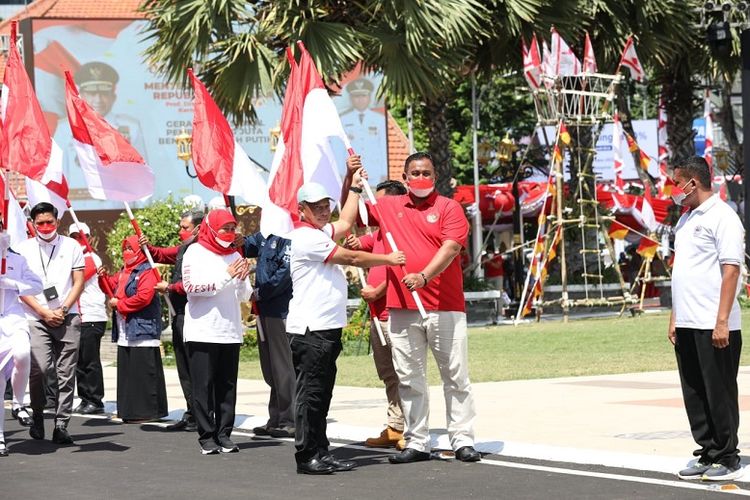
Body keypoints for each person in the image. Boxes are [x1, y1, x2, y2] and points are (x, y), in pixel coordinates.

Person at [343, 152, 481, 464]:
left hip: (444, 306)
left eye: (426, 172)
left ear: (435, 176)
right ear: (405, 179)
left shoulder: (449, 208)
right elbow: (348, 218)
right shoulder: (390, 206)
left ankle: (462, 439)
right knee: (409, 377)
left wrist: (424, 276)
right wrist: (351, 182)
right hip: (402, 308)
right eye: (415, 173)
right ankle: (418, 441)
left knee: (455, 376)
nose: (421, 178)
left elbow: (451, 248)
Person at [285, 173, 405, 475]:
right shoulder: (305, 236)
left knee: (321, 394)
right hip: (311, 330)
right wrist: (388, 259)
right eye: (316, 206)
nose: (324, 210)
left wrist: (353, 186)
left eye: (326, 204)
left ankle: (320, 452)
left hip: (324, 328)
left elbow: (347, 221)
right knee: (311, 395)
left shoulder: (320, 231)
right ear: (302, 209)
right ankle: (307, 455)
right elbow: (350, 257)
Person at [669, 156, 745, 481]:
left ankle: (727, 456)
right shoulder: (684, 220)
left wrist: (723, 320)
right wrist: (674, 317)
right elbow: (682, 273)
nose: (674, 191)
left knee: (719, 391)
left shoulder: (723, 217)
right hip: (687, 321)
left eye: (677, 183)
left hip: (713, 321)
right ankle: (707, 451)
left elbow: (731, 270)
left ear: (693, 183)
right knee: (695, 392)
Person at [344, 179, 408, 450]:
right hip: (377, 316)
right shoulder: (381, 232)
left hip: (398, 314)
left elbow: (409, 268)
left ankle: (412, 429)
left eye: (379, 201)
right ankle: (395, 426)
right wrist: (354, 241)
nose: (374, 207)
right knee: (388, 374)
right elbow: (359, 245)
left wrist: (380, 290)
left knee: (406, 373)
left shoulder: (405, 230)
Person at [182, 209, 252, 455]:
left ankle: (224, 433)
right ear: (211, 228)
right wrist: (226, 275)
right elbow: (191, 287)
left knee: (227, 385)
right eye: (225, 228)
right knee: (203, 385)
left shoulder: (234, 253)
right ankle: (206, 436)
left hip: (230, 330)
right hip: (203, 330)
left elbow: (245, 295)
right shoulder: (195, 252)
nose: (230, 233)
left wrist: (243, 278)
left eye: (233, 229)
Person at [17, 202, 85, 445]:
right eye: (40, 223)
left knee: (66, 373)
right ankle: (37, 415)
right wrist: (44, 311)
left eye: (50, 222)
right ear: (33, 224)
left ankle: (61, 424)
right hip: (36, 317)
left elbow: (79, 281)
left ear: (57, 222)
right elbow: (20, 288)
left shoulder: (71, 245)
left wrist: (64, 308)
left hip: (68, 316)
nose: (45, 227)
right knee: (41, 370)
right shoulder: (22, 249)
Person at [146, 208, 204, 432]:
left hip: (194, 314)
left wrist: (169, 287)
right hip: (178, 313)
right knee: (184, 366)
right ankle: (192, 412)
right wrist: (147, 245)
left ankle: (202, 413)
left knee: (195, 365)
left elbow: (195, 284)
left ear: (198, 228)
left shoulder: (202, 250)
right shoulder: (183, 248)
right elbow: (161, 254)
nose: (180, 231)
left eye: (185, 227)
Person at [101, 236, 168, 424]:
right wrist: (102, 277)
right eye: (125, 248)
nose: (127, 252)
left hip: (142, 328)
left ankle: (146, 411)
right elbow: (111, 285)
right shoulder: (124, 271)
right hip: (126, 329)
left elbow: (144, 297)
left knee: (143, 373)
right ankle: (129, 410)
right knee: (128, 373)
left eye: (131, 248)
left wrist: (120, 304)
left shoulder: (147, 271)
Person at [242, 232, 295, 439]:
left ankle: (289, 419)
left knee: (284, 368)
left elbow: (285, 273)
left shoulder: (287, 237)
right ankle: (276, 418)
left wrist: (261, 292)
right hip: (264, 311)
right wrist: (237, 239)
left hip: (280, 310)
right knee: (271, 369)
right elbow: (245, 247)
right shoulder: (265, 235)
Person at [0, 229, 44, 456]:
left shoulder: (16, 259)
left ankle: (18, 403)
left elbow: (37, 284)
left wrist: (13, 284)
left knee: (23, 353)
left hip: (13, 317)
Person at [68, 223, 108, 415]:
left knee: (90, 360)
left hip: (92, 315)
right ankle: (85, 398)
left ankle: (95, 400)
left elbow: (76, 278)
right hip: (78, 316)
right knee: (80, 360)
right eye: (74, 236)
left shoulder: (91, 258)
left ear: (89, 238)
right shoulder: (71, 258)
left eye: (81, 236)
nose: (77, 240)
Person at [339, 77, 387, 182]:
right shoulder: (342, 120)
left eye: (364, 95)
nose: (360, 99)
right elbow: (338, 149)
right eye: (356, 96)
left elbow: (384, 147)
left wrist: (384, 174)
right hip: (351, 176)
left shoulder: (380, 120)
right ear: (351, 98)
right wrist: (341, 174)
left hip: (375, 175)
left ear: (369, 97)